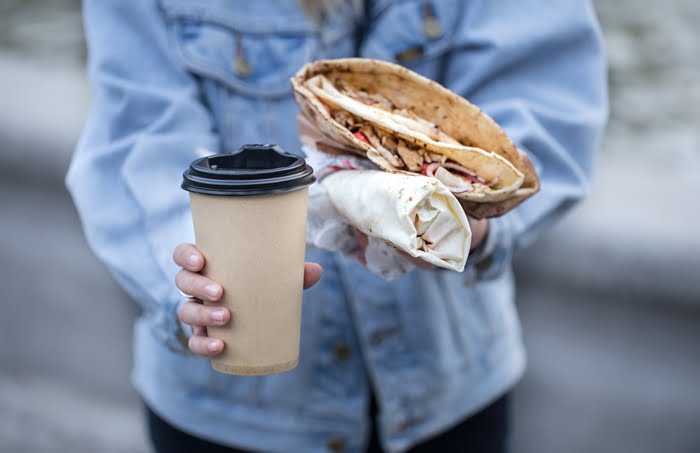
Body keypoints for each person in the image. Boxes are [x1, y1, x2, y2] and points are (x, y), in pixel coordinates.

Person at [66, 1, 607, 452]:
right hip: (233, 415)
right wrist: (188, 279)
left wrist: (475, 220)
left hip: (450, 400)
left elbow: (540, 95)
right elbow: (141, 132)